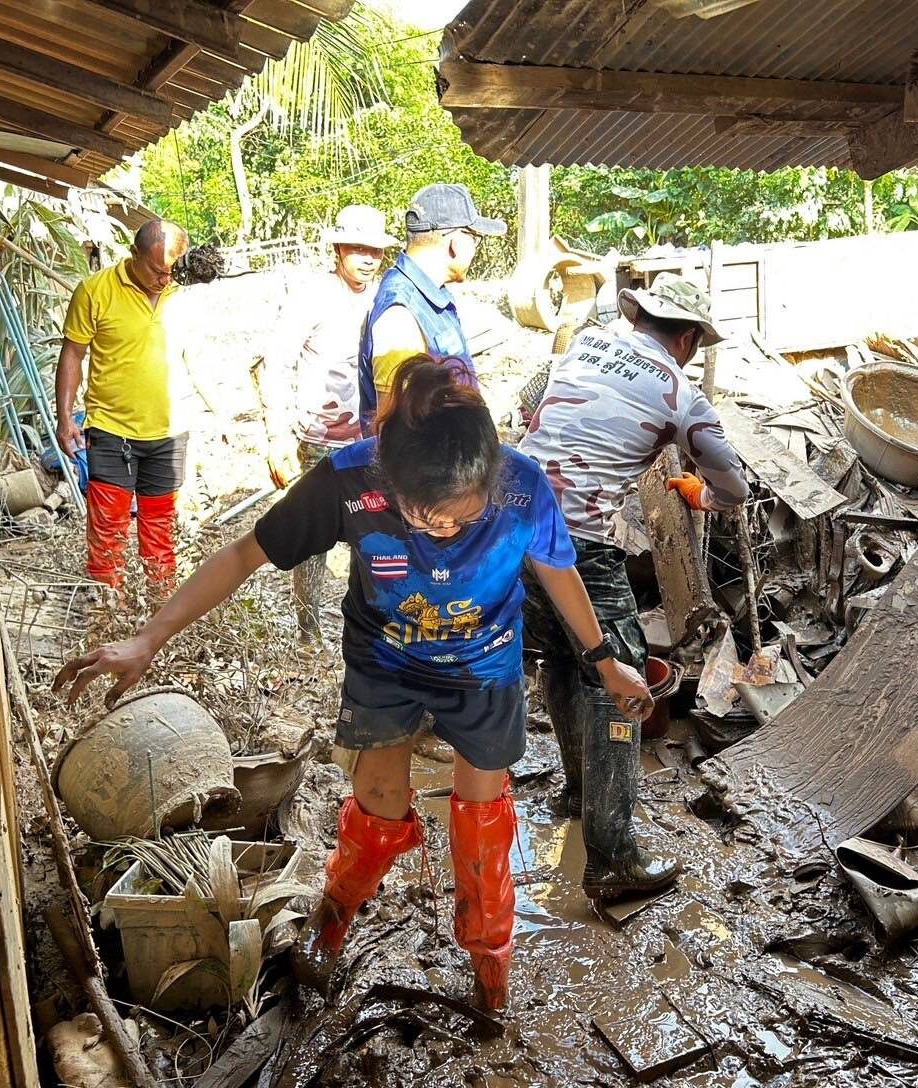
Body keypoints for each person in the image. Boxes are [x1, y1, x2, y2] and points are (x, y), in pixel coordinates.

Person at [53, 357, 652, 1012]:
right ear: (388, 476)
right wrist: (147, 638)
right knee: (378, 801)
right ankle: (334, 916)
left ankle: (489, 964)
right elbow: (241, 554)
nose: (443, 530)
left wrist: (602, 660)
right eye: (423, 515)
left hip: (485, 666)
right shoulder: (345, 480)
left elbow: (560, 572)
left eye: (460, 514)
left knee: (484, 815)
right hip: (386, 663)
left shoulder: (524, 486)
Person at [520, 273, 750, 901]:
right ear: (684, 339)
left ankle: (579, 790)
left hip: (505, 525)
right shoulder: (679, 390)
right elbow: (735, 485)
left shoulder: (583, 346)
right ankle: (614, 858)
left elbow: (526, 408)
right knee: (621, 685)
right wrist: (698, 492)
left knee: (572, 662)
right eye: (695, 346)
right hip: (575, 546)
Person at [264, 205, 397, 642]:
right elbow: (277, 363)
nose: (366, 258)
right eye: (357, 248)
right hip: (317, 436)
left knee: (373, 534)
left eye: (374, 251)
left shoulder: (384, 298)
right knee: (312, 534)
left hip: (369, 438)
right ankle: (308, 628)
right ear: (338, 249)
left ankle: (368, 623)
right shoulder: (313, 296)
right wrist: (275, 432)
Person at [55, 219, 192, 594]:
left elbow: (192, 356)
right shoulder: (95, 291)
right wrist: (64, 417)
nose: (165, 279)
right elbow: (72, 355)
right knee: (107, 534)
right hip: (112, 431)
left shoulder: (180, 294)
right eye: (157, 270)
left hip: (169, 431)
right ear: (133, 255)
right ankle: (107, 616)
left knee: (160, 532)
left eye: (171, 272)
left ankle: (159, 617)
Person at [356, 184, 506, 432]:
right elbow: (392, 430)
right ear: (455, 243)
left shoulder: (432, 296)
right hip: (433, 467)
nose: (475, 250)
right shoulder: (401, 314)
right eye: (475, 239)